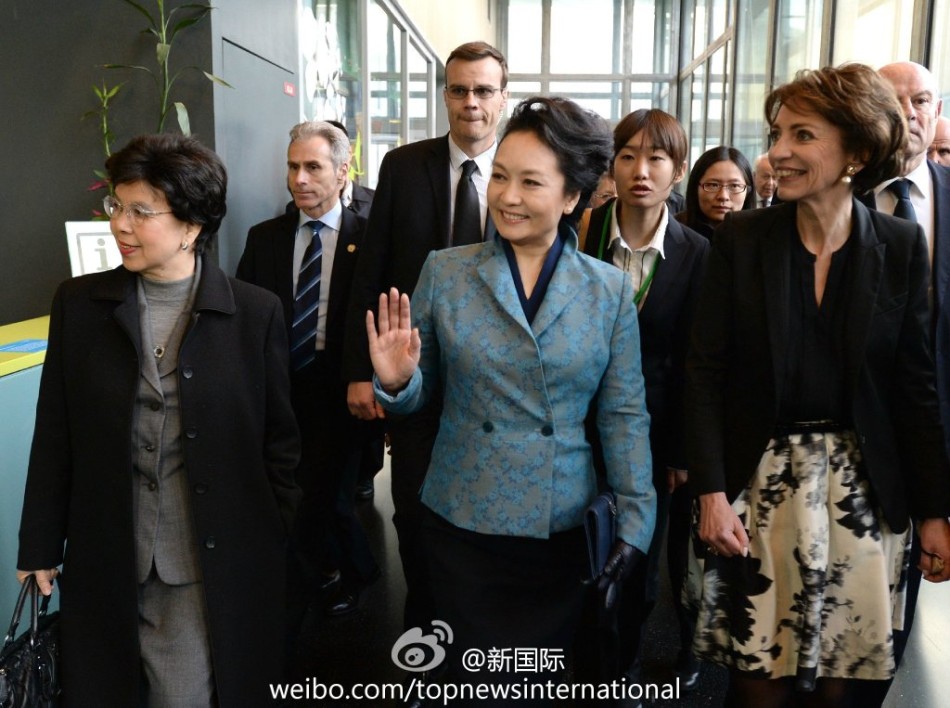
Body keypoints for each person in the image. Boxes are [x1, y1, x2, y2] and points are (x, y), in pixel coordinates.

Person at [367, 96, 656, 704]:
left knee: (543, 683)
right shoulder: (446, 273)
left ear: (573, 196)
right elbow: (418, 401)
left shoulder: (607, 291)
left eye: (530, 181)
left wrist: (634, 521)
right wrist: (396, 383)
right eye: (500, 176)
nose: (507, 196)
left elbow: (623, 415)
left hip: (559, 530)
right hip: (462, 522)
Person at [686, 63, 950, 707]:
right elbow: (704, 372)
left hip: (865, 493)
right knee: (756, 684)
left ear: (856, 151)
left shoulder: (899, 244)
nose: (778, 152)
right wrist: (712, 491)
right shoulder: (742, 239)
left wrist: (935, 511)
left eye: (802, 135)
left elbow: (914, 388)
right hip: (758, 485)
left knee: (847, 685)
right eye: (777, 133)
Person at [16, 133, 301, 707]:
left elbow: (280, 445)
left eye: (140, 211)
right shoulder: (80, 305)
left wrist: (275, 547)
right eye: (116, 206)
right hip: (107, 553)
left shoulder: (253, 313)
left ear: (192, 226)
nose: (120, 224)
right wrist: (39, 544)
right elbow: (55, 433)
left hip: (202, 562)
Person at [344, 40, 509, 633]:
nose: (470, 102)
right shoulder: (404, 166)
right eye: (459, 89)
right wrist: (359, 371)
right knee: (412, 513)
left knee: (484, 520)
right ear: (445, 95)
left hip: (496, 384)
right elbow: (372, 268)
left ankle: (478, 640)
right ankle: (425, 636)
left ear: (502, 97)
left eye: (483, 90)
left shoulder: (521, 174)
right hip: (409, 374)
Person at [580, 108, 709, 698]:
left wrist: (683, 450)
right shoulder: (580, 231)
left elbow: (695, 363)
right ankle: (579, 659)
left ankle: (622, 668)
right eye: (628, 155)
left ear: (677, 170)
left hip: (653, 435)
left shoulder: (695, 253)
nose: (640, 169)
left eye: (657, 158)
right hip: (576, 425)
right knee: (575, 549)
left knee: (639, 555)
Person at [237, 120, 380, 623]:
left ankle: (343, 577)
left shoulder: (370, 236)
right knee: (293, 492)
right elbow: (244, 316)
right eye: (293, 167)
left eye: (313, 167)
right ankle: (331, 574)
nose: (299, 178)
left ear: (343, 172)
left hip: (340, 385)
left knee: (329, 495)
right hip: (280, 385)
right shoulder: (265, 238)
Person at [854, 60, 950, 704]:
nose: (911, 113)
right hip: (858, 456)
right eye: (896, 100)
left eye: (923, 100)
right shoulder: (834, 200)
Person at [675, 146, 755, 239]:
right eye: (713, 185)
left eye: (734, 186)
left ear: (748, 191)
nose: (723, 196)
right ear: (695, 188)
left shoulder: (761, 236)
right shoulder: (672, 231)